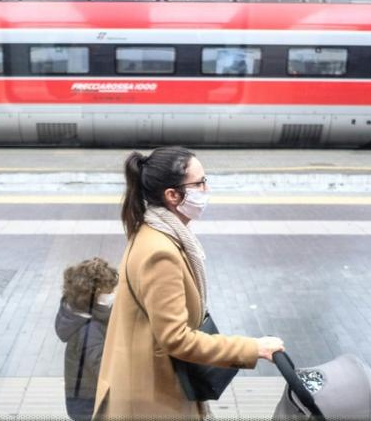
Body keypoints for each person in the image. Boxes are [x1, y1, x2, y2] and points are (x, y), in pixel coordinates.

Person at [93, 146, 285, 419]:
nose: (206, 189)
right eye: (200, 183)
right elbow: (177, 339)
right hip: (151, 399)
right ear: (172, 195)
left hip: (146, 385)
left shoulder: (155, 232)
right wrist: (253, 348)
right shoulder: (161, 252)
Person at [55, 257, 119, 421]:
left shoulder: (79, 315)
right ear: (95, 295)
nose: (113, 294)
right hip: (89, 404)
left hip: (80, 398)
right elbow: (104, 370)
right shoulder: (90, 329)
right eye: (109, 291)